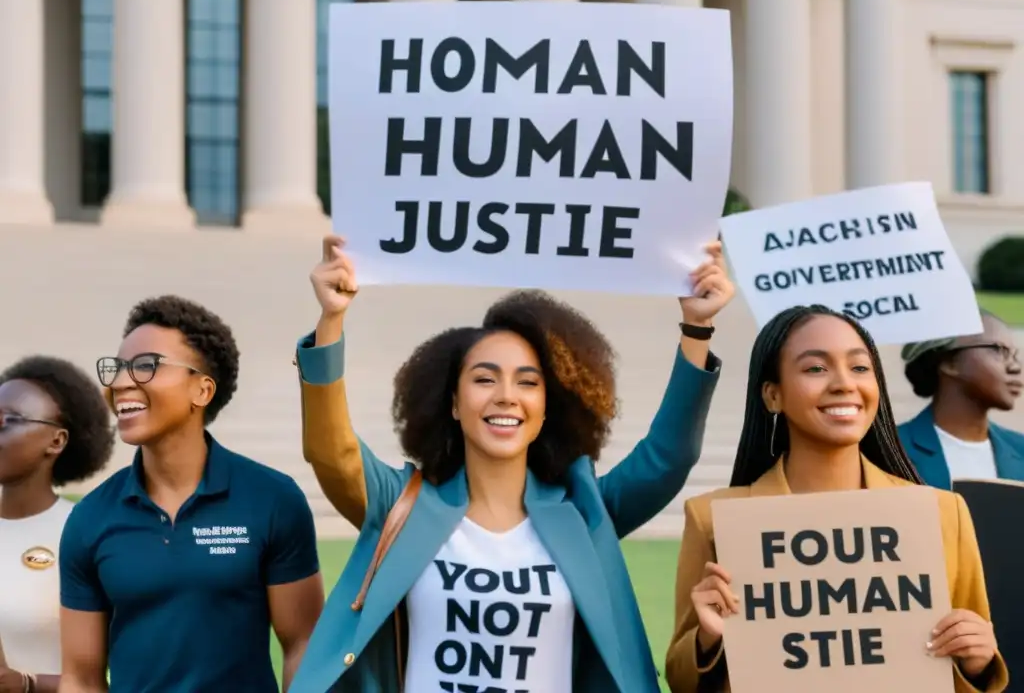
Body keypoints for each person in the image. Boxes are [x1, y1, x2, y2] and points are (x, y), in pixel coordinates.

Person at [288, 234, 732, 692]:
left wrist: (697, 330)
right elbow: (332, 452)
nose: (506, 395)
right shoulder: (402, 504)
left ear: (546, 408)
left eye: (527, 382)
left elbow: (668, 458)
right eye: (484, 378)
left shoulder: (583, 511)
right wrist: (331, 322)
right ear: (454, 404)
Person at [665, 304, 1008, 693]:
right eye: (815, 368)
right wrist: (707, 641)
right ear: (772, 395)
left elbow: (962, 670)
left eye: (860, 368)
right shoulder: (712, 519)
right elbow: (681, 681)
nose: (844, 383)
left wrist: (977, 662)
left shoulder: (943, 513)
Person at [57, 296, 324, 693]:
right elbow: (81, 679)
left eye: (146, 366)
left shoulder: (273, 499)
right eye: (117, 368)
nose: (119, 383)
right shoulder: (90, 518)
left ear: (202, 389)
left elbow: (303, 646)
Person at [0, 356, 114, 693]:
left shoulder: (84, 532)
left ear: (56, 441)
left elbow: (116, 677)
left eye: (6, 420)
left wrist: (25, 684)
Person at [899, 311, 1024, 488]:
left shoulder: (1020, 448)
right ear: (950, 362)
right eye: (998, 350)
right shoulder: (891, 451)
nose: (1015, 366)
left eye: (1014, 354)